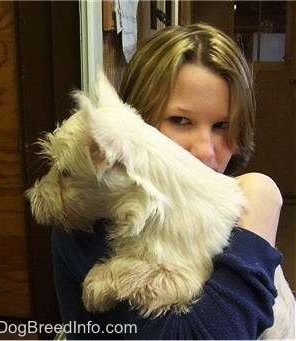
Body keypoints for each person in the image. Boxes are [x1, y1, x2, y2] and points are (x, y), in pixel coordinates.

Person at [51, 23, 283, 340]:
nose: (204, 151)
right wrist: (257, 229)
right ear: (135, 124)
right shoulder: (94, 215)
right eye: (180, 120)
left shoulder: (223, 205)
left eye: (223, 125)